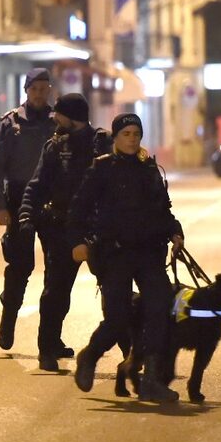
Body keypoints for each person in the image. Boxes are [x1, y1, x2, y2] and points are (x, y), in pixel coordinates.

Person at [68, 113, 184, 402]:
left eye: (136, 134)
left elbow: (164, 211)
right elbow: (78, 210)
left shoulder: (149, 170)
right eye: (126, 134)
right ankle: (90, 356)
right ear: (116, 138)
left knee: (159, 309)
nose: (132, 139)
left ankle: (152, 380)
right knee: (118, 318)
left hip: (148, 252)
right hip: (115, 253)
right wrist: (78, 242)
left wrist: (176, 233)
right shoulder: (102, 169)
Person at [18, 93, 112, 371]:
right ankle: (47, 348)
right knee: (56, 291)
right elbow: (37, 183)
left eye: (58, 114)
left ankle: (132, 354)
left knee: (114, 291)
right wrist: (26, 213)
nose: (54, 118)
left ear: (72, 116)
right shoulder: (55, 146)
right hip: (61, 228)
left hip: (99, 229)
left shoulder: (104, 144)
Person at [0, 68, 57, 351]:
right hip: (18, 199)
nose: (39, 94)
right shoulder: (10, 124)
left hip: (52, 201)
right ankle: (8, 318)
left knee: (56, 269)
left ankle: (51, 337)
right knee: (20, 265)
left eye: (44, 88)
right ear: (26, 90)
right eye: (34, 89)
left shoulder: (58, 121)